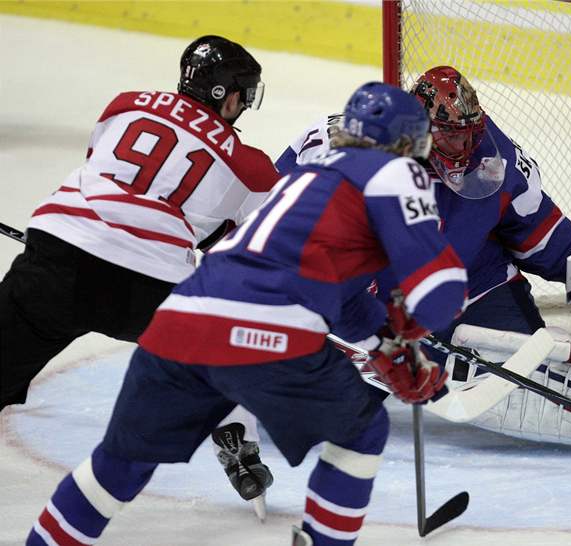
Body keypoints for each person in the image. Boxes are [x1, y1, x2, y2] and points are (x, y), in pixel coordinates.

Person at [26, 82, 467, 546]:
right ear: (407, 143)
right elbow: (441, 295)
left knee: (119, 463)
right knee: (363, 429)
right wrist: (411, 332)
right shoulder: (396, 172)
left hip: (179, 320)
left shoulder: (306, 179)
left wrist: (382, 343)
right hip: (266, 330)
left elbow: (346, 297)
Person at [277, 66, 571, 458]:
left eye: (469, 135)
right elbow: (264, 218)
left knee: (535, 380)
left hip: (472, 283)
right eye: (449, 138)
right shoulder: (343, 146)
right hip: (370, 303)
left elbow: (537, 236)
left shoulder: (497, 157)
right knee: (328, 411)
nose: (464, 150)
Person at [0, 36, 279, 500]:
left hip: (60, 254)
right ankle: (237, 442)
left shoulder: (125, 105)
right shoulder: (251, 167)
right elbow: (247, 246)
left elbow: (105, 169)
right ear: (227, 95)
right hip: (148, 285)